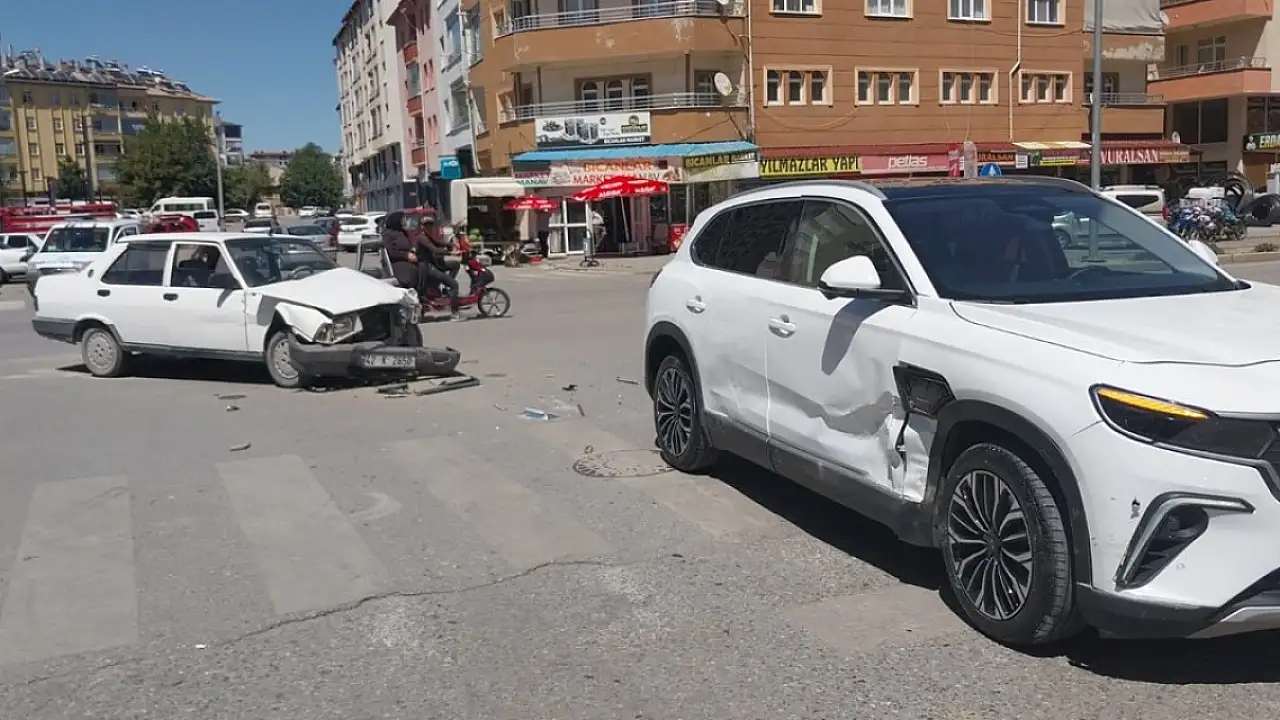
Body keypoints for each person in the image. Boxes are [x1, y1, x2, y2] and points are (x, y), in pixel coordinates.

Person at [417, 220, 461, 322]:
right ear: (422, 227)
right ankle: (454, 313)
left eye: (431, 226)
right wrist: (451, 253)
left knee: (455, 265)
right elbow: (435, 249)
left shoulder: (426, 236)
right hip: (427, 268)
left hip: (433, 264)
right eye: (427, 226)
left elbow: (437, 243)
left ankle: (446, 287)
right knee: (454, 285)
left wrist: (451, 245)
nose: (430, 228)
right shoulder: (421, 238)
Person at [381, 211, 419, 291]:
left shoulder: (404, 232)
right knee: (413, 271)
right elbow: (390, 252)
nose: (406, 221)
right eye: (403, 219)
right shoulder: (388, 234)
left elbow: (411, 244)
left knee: (425, 267)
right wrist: (406, 255)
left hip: (410, 260)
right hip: (397, 262)